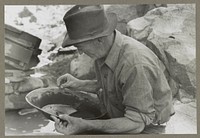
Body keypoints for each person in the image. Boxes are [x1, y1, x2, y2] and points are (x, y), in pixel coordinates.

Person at [51, 5, 174, 135]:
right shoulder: (103, 49)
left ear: (98, 39)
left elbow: (136, 123)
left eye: (80, 47)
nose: (80, 53)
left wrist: (85, 125)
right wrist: (80, 84)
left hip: (145, 128)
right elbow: (112, 86)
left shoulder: (135, 64)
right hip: (122, 116)